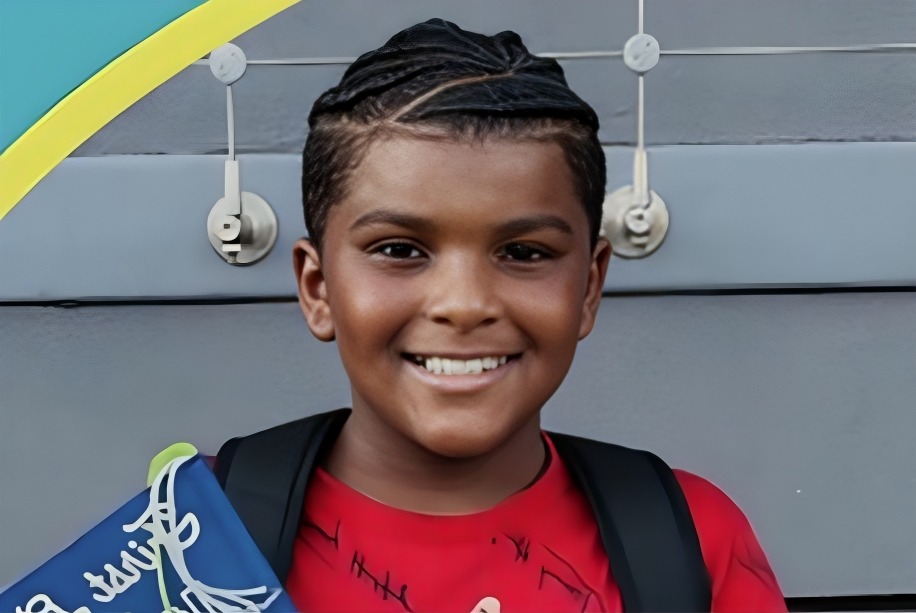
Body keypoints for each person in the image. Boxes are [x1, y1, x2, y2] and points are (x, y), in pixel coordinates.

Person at [223, 18, 786, 612]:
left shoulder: (695, 540)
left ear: (589, 287)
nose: (464, 305)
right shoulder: (188, 543)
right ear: (318, 289)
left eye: (523, 253)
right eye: (399, 251)